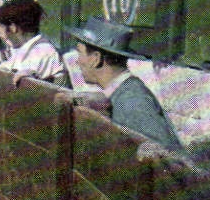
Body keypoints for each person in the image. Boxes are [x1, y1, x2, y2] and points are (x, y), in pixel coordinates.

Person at [66, 17, 184, 154]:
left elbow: (170, 160)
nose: (77, 61)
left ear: (95, 59)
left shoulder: (132, 101)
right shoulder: (124, 94)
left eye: (80, 52)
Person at [0, 0, 69, 87]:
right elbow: (4, 68)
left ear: (13, 28)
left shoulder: (43, 51)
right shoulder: (23, 49)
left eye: (0, 32)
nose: (0, 36)